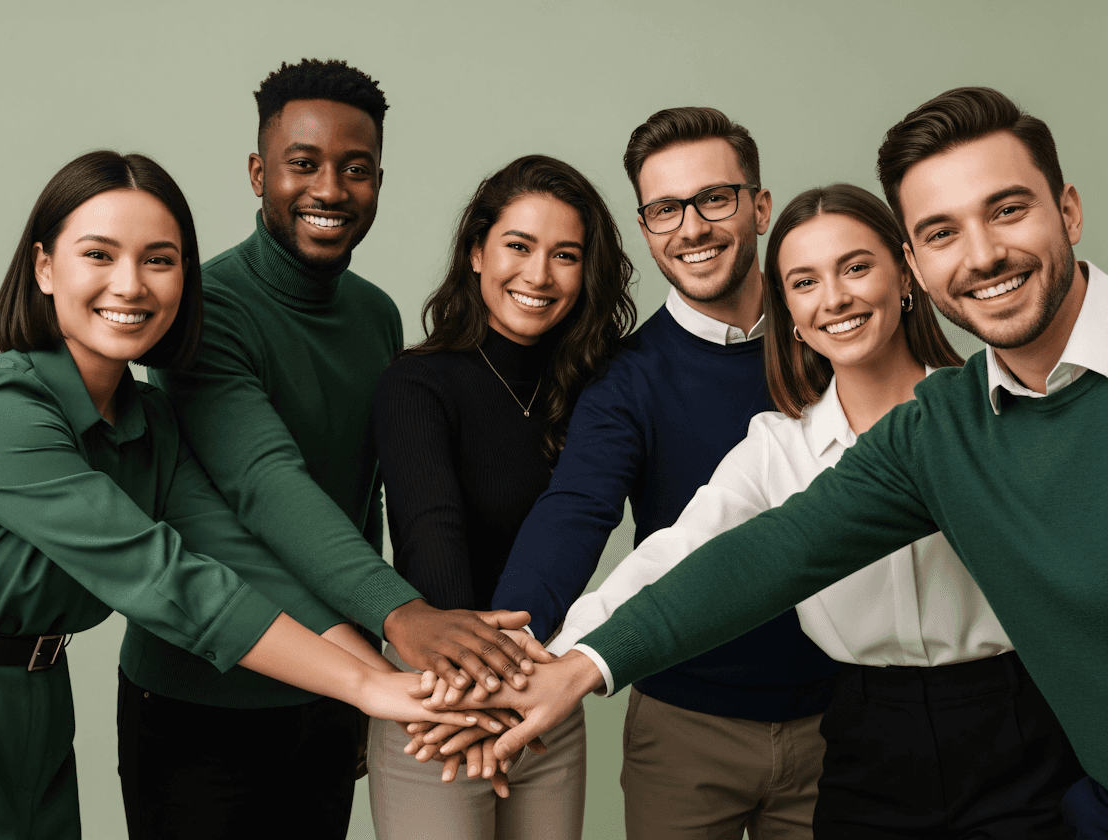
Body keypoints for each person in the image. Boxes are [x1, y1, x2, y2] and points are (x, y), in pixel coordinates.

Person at [441, 87, 1108, 838]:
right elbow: (728, 553)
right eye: (944, 232)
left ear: (903, 273)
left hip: (1013, 730)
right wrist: (555, 659)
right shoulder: (902, 436)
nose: (982, 254)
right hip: (848, 736)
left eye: (1008, 210)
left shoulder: (960, 411)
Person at [0, 150, 481, 840]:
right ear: (44, 268)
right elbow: (160, 575)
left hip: (32, 697)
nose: (130, 285)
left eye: (159, 260)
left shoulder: (147, 422)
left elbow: (240, 558)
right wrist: (368, 688)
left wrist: (401, 684)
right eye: (99, 254)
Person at [123, 59, 542, 838]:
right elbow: (263, 484)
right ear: (258, 173)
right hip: (200, 694)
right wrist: (401, 616)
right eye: (303, 164)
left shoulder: (376, 316)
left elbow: (371, 494)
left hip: (331, 692)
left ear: (379, 180)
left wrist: (360, 682)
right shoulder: (204, 312)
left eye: (356, 169)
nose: (330, 190)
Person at [489, 107, 837, 839]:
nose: (692, 228)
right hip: (684, 728)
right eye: (665, 210)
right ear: (646, 228)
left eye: (716, 199)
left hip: (843, 720)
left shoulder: (837, 333)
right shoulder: (627, 380)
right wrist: (512, 646)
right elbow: (575, 510)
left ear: (760, 206)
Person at [367, 155, 637, 838]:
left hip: (547, 689)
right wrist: (477, 697)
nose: (539, 276)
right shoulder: (418, 383)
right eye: (519, 246)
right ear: (477, 252)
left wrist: (526, 687)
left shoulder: (598, 389)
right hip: (437, 695)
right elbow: (431, 541)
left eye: (565, 255)